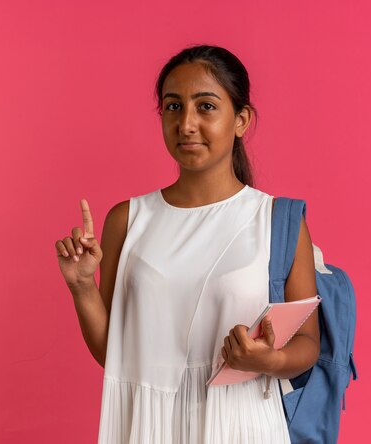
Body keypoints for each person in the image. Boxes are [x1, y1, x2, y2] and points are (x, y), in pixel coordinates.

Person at [55, 44, 320, 443]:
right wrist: (80, 287)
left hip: (242, 424)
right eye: (173, 107)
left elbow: (308, 343)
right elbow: (115, 353)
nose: (187, 123)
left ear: (241, 119)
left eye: (206, 106)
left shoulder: (275, 220)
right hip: (147, 428)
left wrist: (271, 359)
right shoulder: (127, 220)